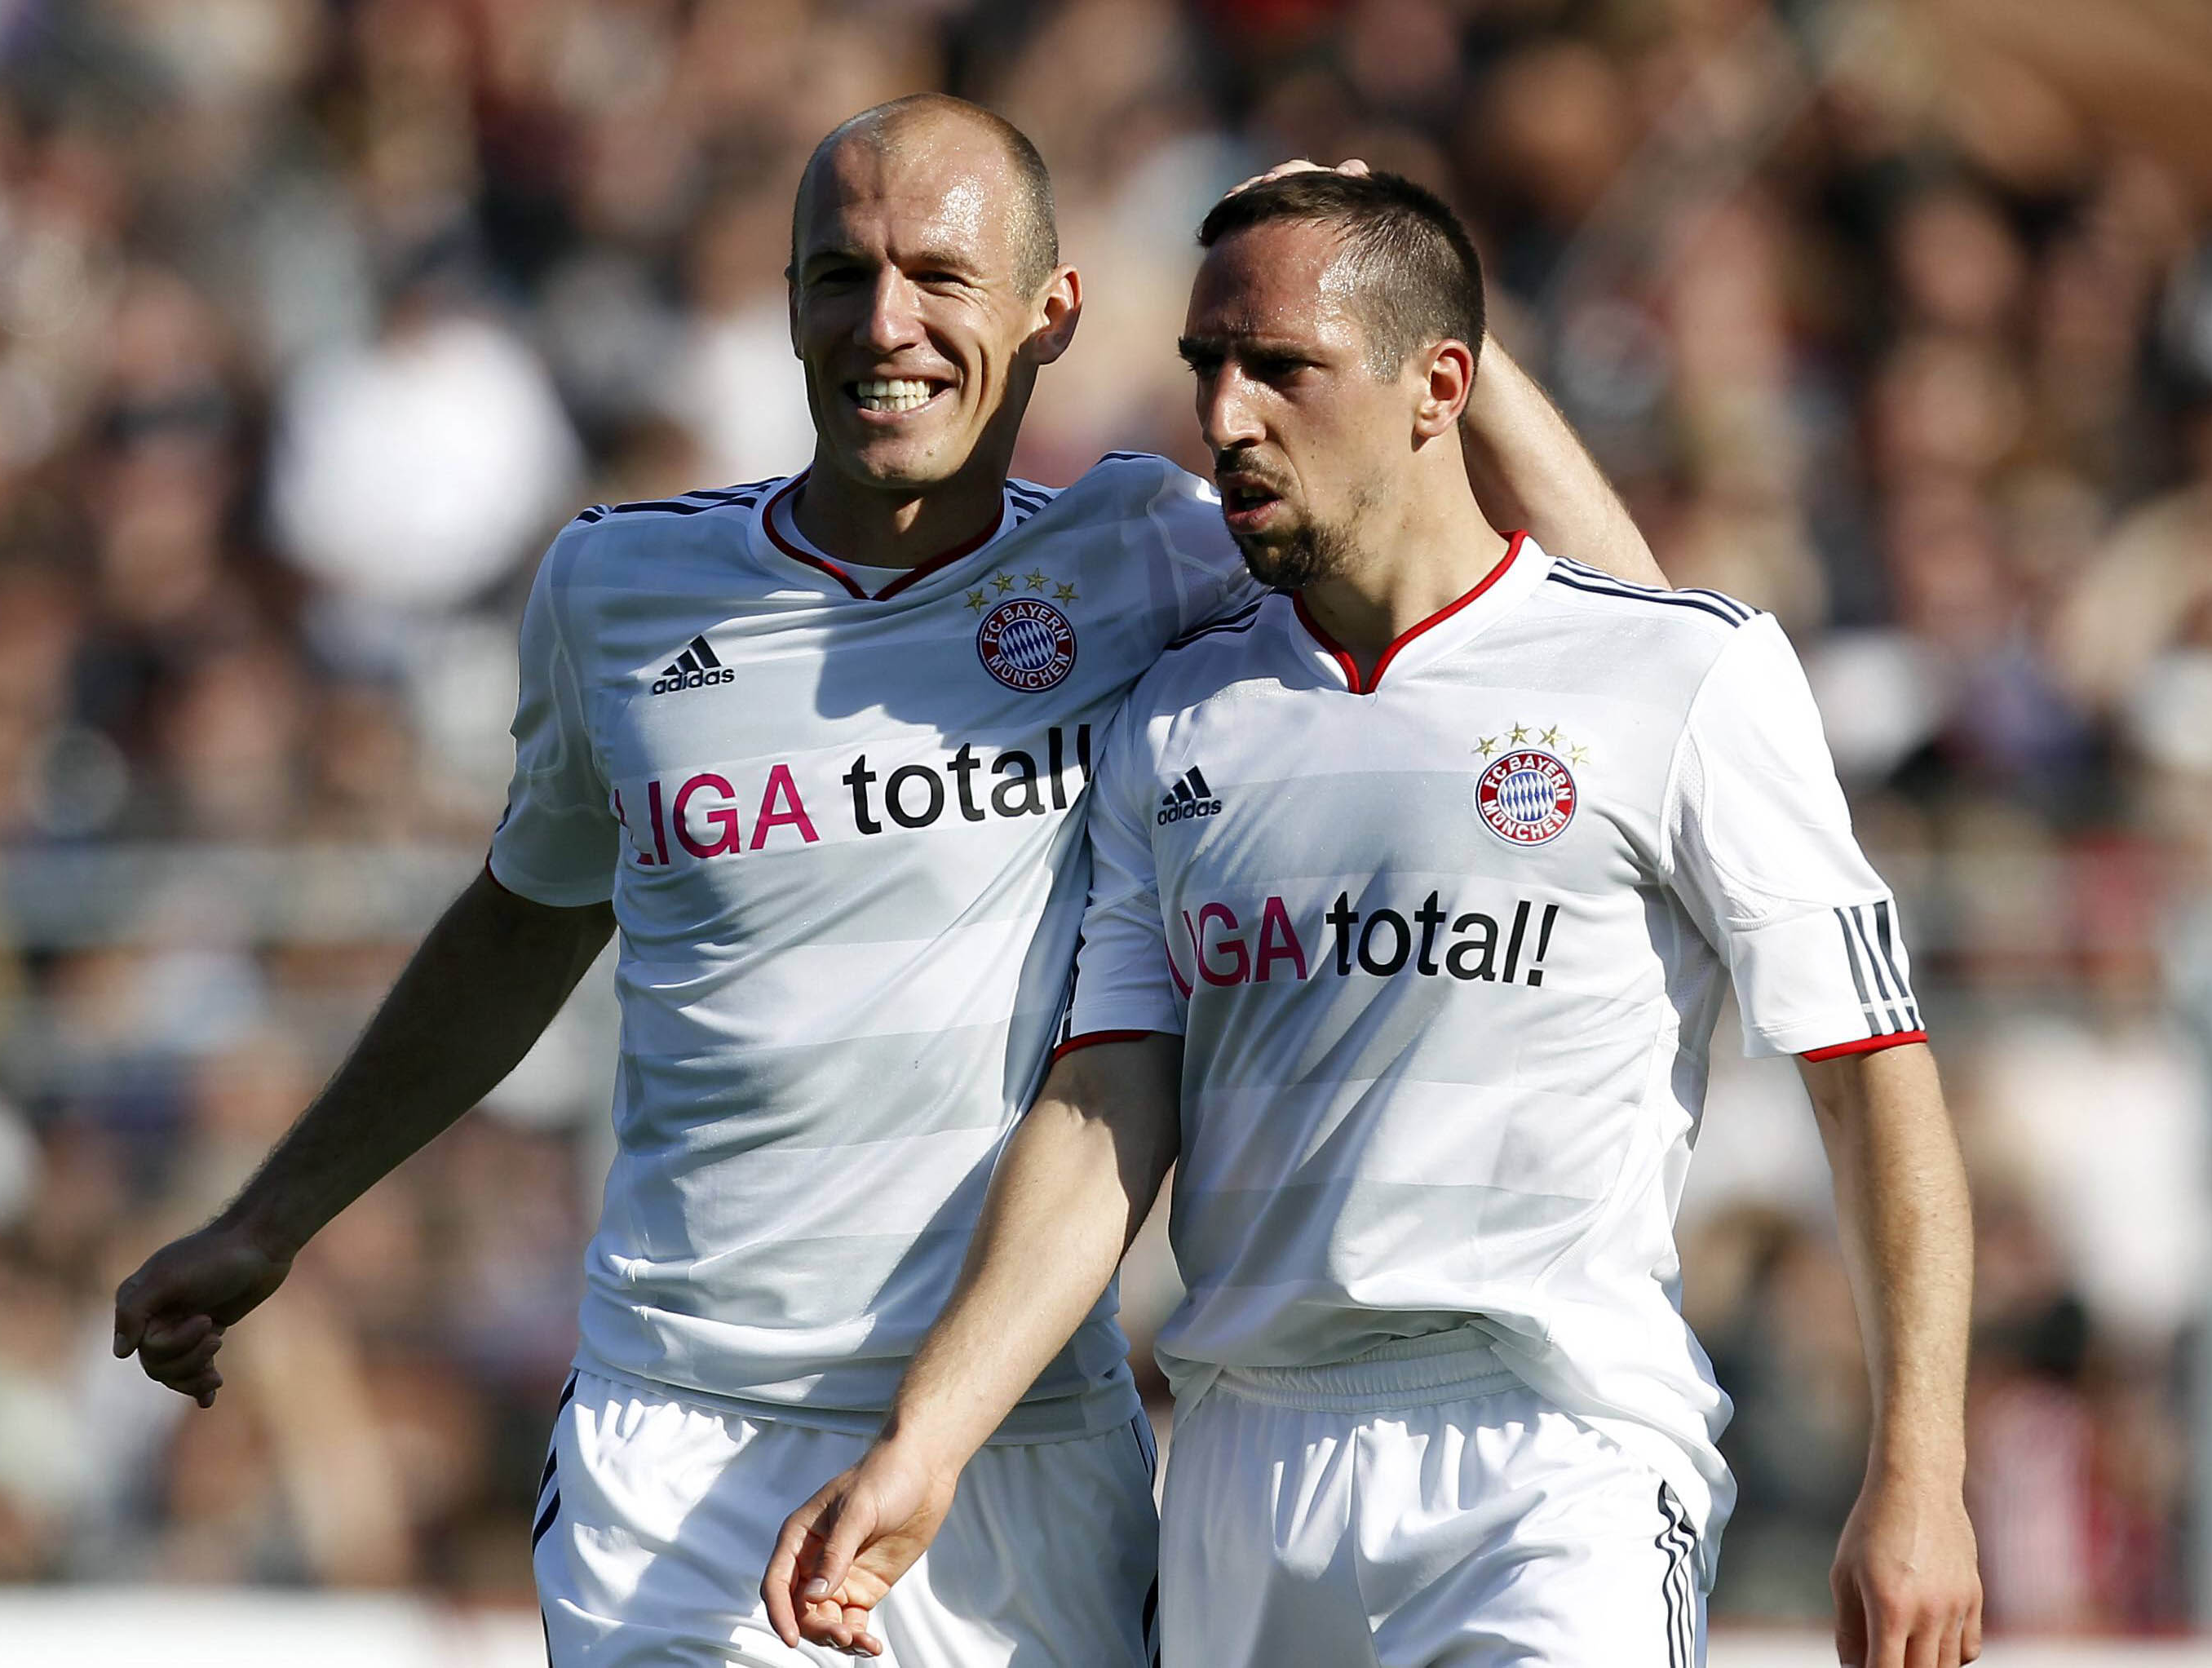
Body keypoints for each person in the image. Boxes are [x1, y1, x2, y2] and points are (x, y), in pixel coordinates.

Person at [112, 96, 1660, 1666]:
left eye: (940, 274)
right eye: (839, 275)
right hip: (685, 1444)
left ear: (1053, 314)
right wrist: (274, 1216)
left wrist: (1444, 328)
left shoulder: (1151, 562)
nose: (886, 324)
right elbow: (528, 915)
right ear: (786, 307)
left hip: (1023, 1453)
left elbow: (1621, 645)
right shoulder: (619, 589)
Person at [765, 170, 1984, 1668]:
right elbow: (1103, 1113)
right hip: (1240, 1469)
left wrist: (1920, 1471)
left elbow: (1874, 1075)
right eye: (1208, 366)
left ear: (1440, 390)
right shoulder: (1175, 716)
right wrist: (930, 1440)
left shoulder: (1683, 675)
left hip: (1555, 1458)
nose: (1224, 420)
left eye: (1282, 367)